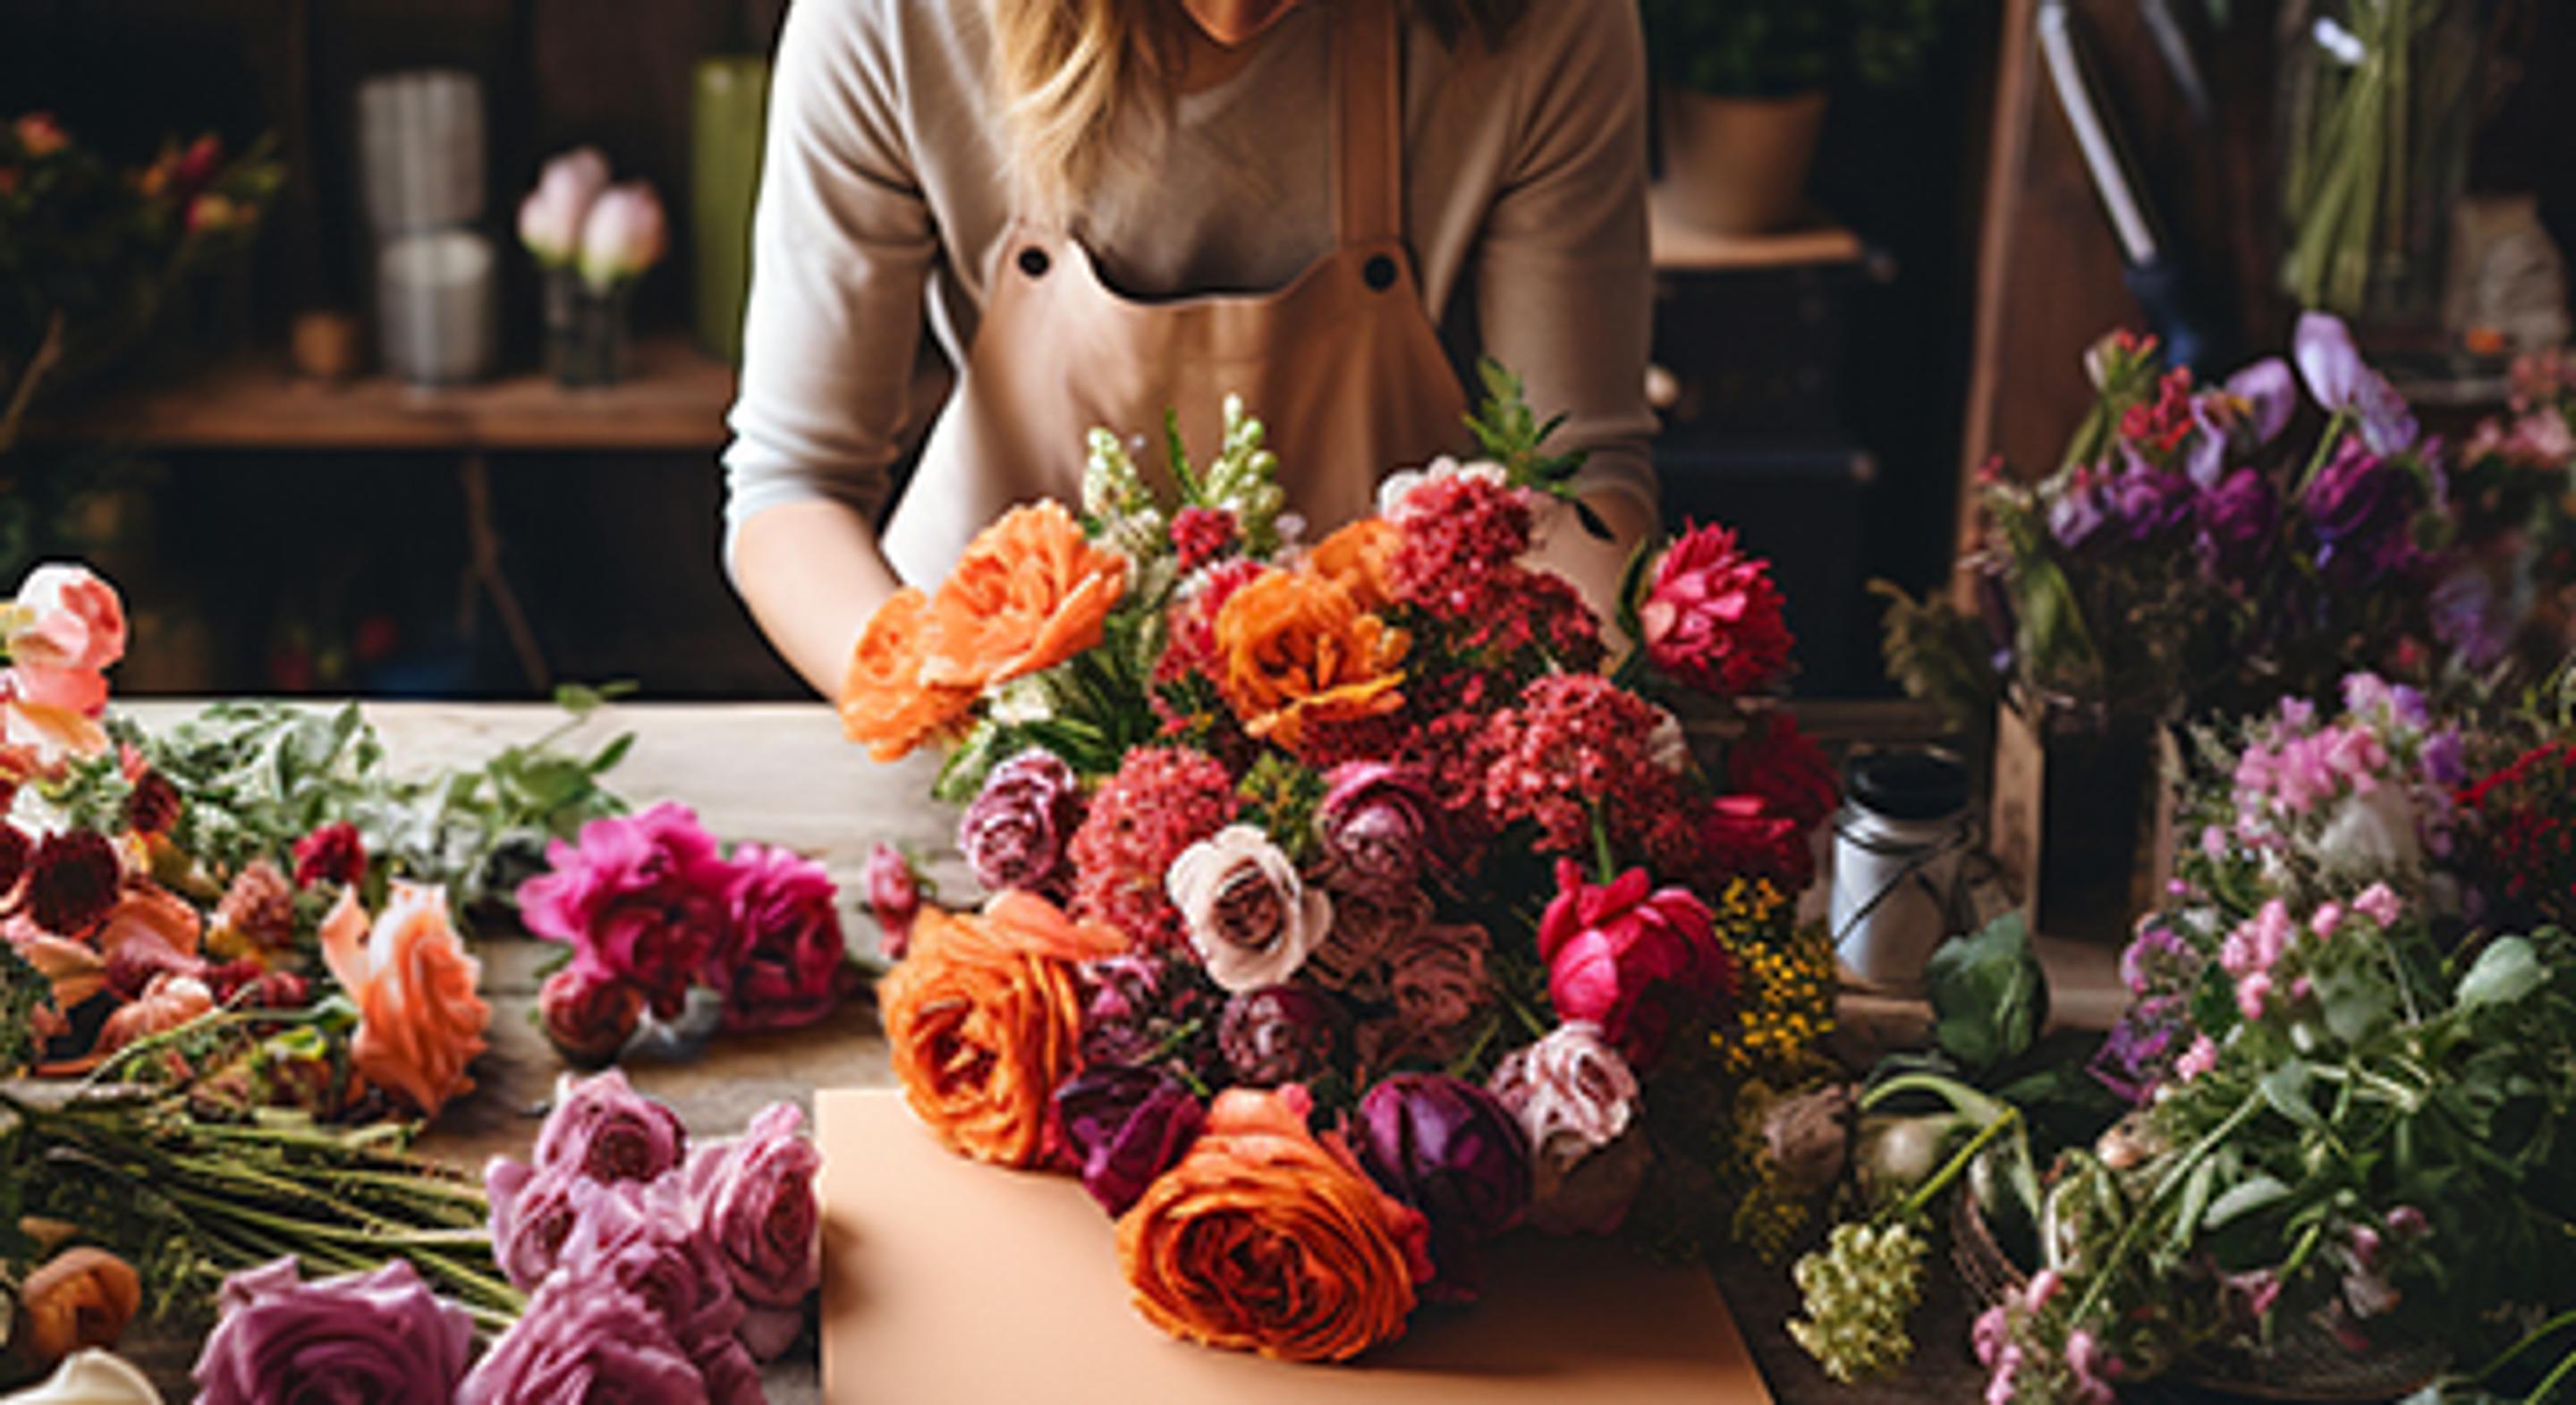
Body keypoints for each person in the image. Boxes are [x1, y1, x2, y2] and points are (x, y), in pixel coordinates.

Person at [724, 0, 1657, 697]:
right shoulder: (893, 17)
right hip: (987, 722)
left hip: (1388, 736)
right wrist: (966, 721)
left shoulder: (1537, 23)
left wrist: (1571, 722)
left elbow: (1580, 476)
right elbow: (795, 485)